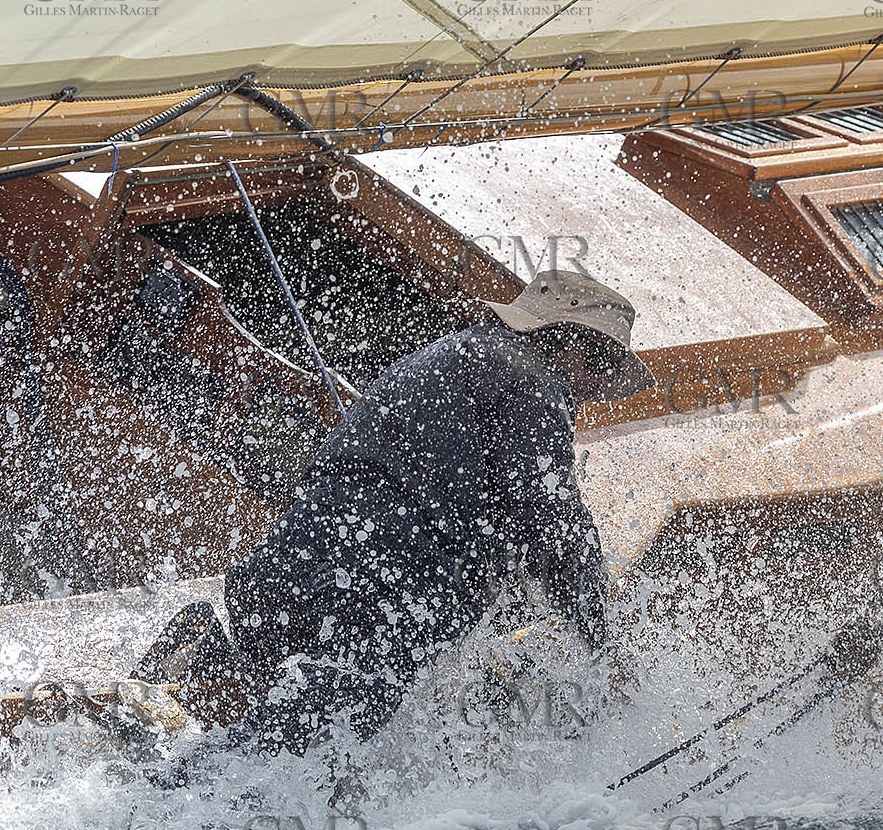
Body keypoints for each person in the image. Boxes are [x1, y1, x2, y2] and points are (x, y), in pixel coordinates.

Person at [137, 269, 654, 761]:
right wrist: (600, 646)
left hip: (300, 551)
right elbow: (552, 520)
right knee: (311, 739)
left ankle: (196, 660)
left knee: (273, 696)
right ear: (564, 342)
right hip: (377, 579)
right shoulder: (529, 380)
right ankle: (163, 803)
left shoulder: (456, 355)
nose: (596, 387)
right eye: (602, 365)